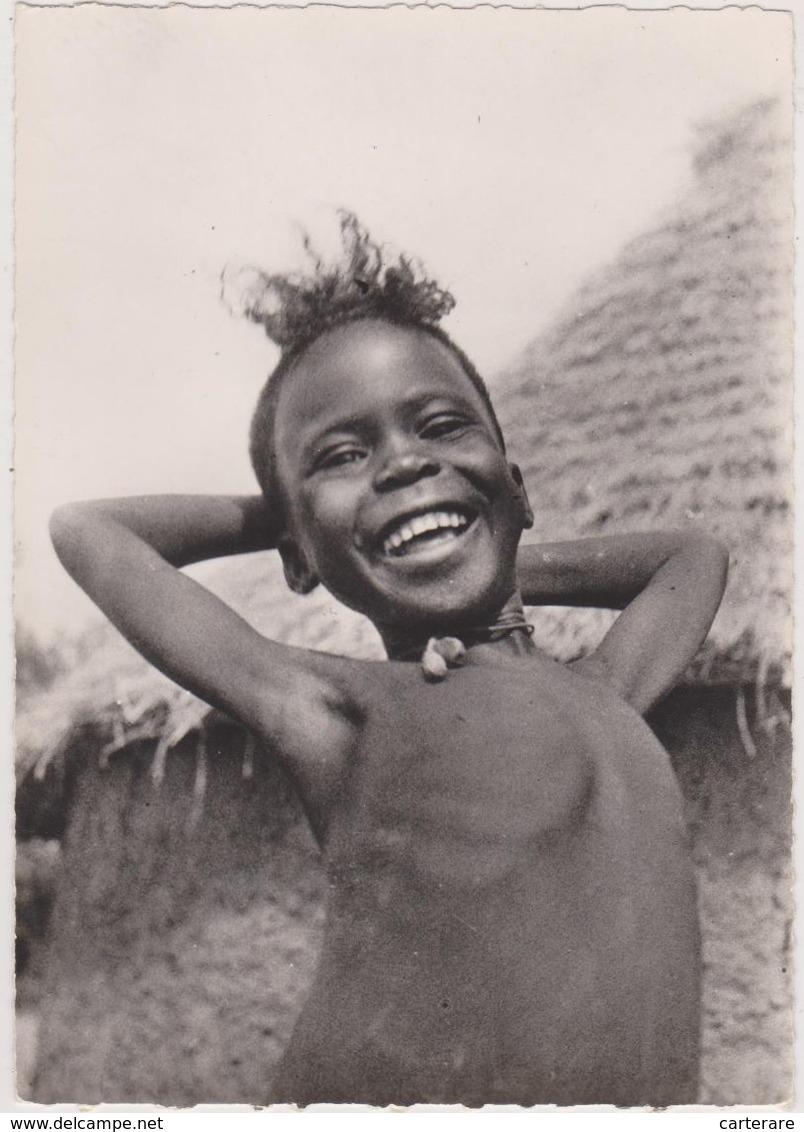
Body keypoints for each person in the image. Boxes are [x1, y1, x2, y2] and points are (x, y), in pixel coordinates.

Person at [50, 213, 728, 1107]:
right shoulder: (340, 712)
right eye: (345, 454)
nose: (406, 463)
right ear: (296, 557)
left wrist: (471, 533)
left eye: (441, 428)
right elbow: (90, 531)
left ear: (516, 483)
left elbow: (696, 556)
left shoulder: (611, 691)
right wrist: (303, 524)